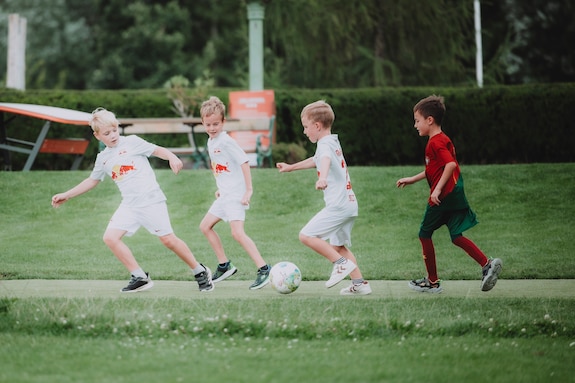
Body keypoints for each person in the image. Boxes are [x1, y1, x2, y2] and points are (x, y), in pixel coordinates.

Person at [51, 107, 213, 293]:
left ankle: (200, 271)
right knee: (110, 238)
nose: (113, 135)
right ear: (97, 136)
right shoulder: (103, 158)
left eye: (114, 130)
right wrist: (66, 195)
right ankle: (139, 276)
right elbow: (92, 180)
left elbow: (157, 150)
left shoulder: (132, 142)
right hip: (130, 205)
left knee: (168, 240)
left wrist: (172, 157)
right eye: (107, 133)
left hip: (151, 200)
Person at [396, 95, 502, 293]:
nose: (415, 125)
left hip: (442, 197)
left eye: (417, 120)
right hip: (455, 194)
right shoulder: (444, 139)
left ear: (430, 120)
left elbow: (450, 165)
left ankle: (432, 282)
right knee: (455, 236)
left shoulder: (435, 143)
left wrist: (436, 190)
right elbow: (435, 168)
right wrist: (412, 179)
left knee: (424, 234)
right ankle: (486, 264)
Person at [276, 100, 371, 296]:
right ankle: (360, 284)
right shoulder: (331, 141)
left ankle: (340, 264)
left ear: (317, 126)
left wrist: (323, 178)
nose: (304, 132)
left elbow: (324, 160)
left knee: (306, 236)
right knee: (338, 246)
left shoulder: (325, 145)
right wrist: (291, 167)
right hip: (349, 204)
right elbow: (317, 159)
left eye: (305, 127)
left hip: (338, 205)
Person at [198, 96, 271, 290]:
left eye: (216, 124)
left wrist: (248, 190)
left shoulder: (226, 141)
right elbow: (223, 167)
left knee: (238, 234)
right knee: (205, 226)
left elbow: (244, 162)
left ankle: (264, 269)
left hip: (236, 196)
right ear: (203, 123)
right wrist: (220, 187)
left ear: (223, 122)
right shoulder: (211, 141)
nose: (212, 128)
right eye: (208, 124)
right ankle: (224, 266)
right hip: (224, 195)